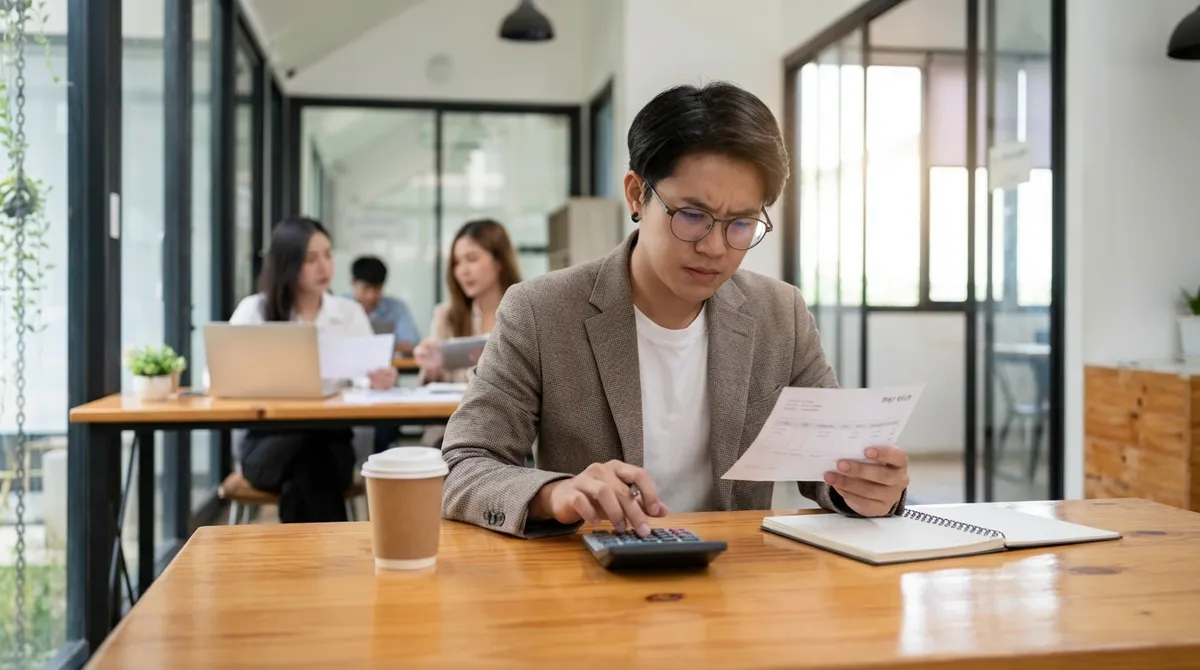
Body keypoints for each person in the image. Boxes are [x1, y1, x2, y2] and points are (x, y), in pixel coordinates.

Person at [440, 82, 910, 539]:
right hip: (593, 577)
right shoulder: (541, 312)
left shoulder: (779, 313)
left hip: (738, 577)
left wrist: (865, 488)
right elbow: (462, 467)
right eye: (692, 215)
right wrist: (555, 494)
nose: (714, 247)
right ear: (636, 194)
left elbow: (829, 466)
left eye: (741, 223)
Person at [230, 217, 398, 523]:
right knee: (311, 455)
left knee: (307, 466)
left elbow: (367, 373)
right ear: (287, 264)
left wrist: (377, 378)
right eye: (311, 259)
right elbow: (218, 376)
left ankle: (301, 554)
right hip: (267, 447)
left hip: (332, 444)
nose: (324, 267)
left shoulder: (348, 314)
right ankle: (333, 553)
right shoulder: (255, 311)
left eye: (328, 255)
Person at [413, 219, 522, 385]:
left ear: (499, 261)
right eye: (456, 263)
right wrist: (432, 370)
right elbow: (430, 388)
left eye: (472, 259)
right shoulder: (446, 316)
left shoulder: (526, 314)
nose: (462, 271)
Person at [349, 255, 421, 356]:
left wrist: (371, 346)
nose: (371, 296)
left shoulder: (397, 308)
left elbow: (412, 344)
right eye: (366, 288)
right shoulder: (339, 306)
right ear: (353, 283)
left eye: (377, 289)